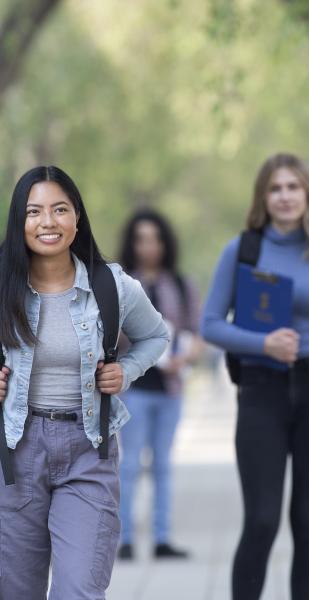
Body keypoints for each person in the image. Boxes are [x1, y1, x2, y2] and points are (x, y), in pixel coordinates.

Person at [0, 166, 169, 599]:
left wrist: (126, 371)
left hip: (89, 449)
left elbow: (156, 336)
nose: (48, 222)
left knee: (80, 590)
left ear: (77, 218)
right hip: (13, 452)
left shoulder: (113, 285)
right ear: (19, 222)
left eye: (60, 209)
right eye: (34, 212)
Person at [201, 153, 309, 600]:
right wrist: (263, 344)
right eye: (276, 188)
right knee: (261, 520)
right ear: (264, 198)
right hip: (262, 391)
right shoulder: (243, 250)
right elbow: (210, 323)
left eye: (294, 186)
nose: (285, 196)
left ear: (308, 193)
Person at [116, 208, 204, 561]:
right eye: (141, 239)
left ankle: (162, 538)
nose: (148, 247)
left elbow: (197, 332)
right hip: (133, 387)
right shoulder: (120, 284)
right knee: (129, 465)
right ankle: (123, 539)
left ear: (165, 243)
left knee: (164, 465)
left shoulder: (182, 285)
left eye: (154, 239)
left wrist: (187, 355)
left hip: (170, 389)